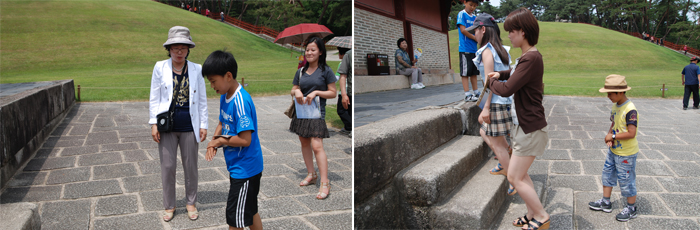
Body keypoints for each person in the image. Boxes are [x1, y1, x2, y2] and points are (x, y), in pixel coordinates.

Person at [487, 8, 550, 230]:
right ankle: (532, 213)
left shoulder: (531, 57)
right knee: (520, 176)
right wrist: (500, 74)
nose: (508, 36)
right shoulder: (527, 56)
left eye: (511, 31)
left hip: (530, 128)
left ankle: (541, 216)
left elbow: (506, 90)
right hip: (525, 127)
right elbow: (514, 75)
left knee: (514, 177)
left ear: (522, 32)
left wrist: (490, 82)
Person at [149, 26, 208, 222]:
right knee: (167, 166)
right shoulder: (160, 67)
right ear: (169, 49)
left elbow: (202, 100)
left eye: (183, 47)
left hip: (189, 124)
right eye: (175, 48)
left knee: (191, 166)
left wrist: (203, 124)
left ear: (188, 49)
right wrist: (153, 123)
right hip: (166, 125)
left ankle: (191, 202)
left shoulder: (197, 69)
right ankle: (169, 205)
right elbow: (154, 97)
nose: (179, 52)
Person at [203, 50, 264, 230]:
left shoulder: (240, 102)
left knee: (235, 219)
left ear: (228, 76)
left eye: (214, 81)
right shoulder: (225, 95)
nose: (212, 86)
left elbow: (245, 139)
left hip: (246, 170)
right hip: (240, 167)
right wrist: (213, 141)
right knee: (249, 212)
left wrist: (220, 141)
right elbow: (222, 121)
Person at [467, 13, 516, 195]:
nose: (474, 35)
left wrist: (485, 108)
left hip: (495, 101)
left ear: (483, 29)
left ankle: (514, 179)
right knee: (485, 131)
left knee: (496, 144)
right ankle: (506, 158)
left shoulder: (487, 51)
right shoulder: (501, 49)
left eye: (475, 31)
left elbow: (490, 84)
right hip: (504, 100)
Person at [290, 37, 337, 199]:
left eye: (313, 50)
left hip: (317, 113)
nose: (309, 53)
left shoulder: (326, 71)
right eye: (307, 50)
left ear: (320, 52)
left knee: (317, 146)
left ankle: (325, 182)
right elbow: (294, 88)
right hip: (302, 112)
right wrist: (296, 92)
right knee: (304, 142)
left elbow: (333, 92)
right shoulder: (301, 71)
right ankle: (311, 174)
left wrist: (317, 92)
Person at [588, 74, 640, 222]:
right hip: (614, 150)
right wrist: (609, 134)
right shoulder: (615, 106)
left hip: (626, 154)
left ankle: (631, 208)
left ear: (621, 92)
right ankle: (605, 201)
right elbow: (614, 123)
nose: (608, 96)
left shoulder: (630, 109)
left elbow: (631, 133)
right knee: (607, 173)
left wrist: (614, 137)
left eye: (610, 93)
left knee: (626, 179)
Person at [457, 0, 481, 101]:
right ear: (465, 2)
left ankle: (476, 92)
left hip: (474, 49)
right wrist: (474, 37)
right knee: (465, 73)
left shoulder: (475, 18)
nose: (472, 8)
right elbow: (463, 30)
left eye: (474, 6)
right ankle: (467, 94)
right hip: (465, 48)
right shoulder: (462, 14)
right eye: (471, 5)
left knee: (474, 72)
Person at [336, 47, 352, 136]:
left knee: (341, 110)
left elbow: (337, 77)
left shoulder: (341, 63)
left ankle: (349, 127)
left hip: (344, 91)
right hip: (347, 90)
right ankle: (348, 127)